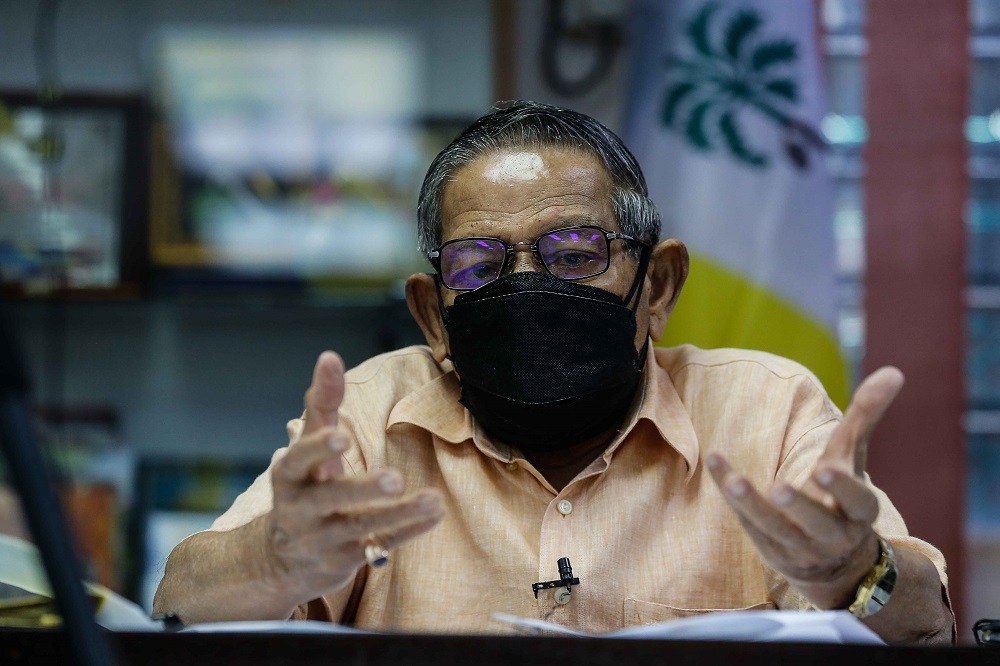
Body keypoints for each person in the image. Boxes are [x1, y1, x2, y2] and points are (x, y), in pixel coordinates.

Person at [153, 101, 954, 643]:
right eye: (479, 263)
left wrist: (856, 572)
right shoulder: (368, 416)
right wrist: (276, 560)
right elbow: (178, 601)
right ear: (435, 315)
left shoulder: (765, 410)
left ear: (659, 287)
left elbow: (928, 625)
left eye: (575, 253)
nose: (529, 286)